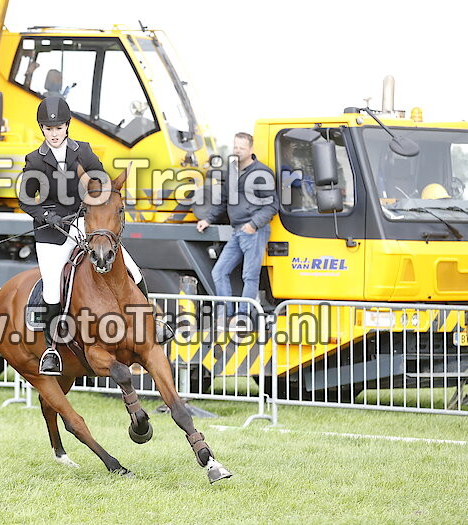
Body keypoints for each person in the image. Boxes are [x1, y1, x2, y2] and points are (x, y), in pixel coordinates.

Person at [18, 96, 171, 375]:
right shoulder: (35, 160)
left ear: (67, 127)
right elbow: (26, 200)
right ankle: (52, 349)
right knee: (53, 287)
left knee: (133, 270)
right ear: (43, 130)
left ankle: (152, 324)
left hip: (84, 223)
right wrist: (47, 216)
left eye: (59, 128)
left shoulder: (84, 152)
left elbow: (100, 181)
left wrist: (99, 204)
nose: (54, 134)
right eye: (48, 129)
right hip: (51, 232)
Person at [196, 132, 279, 324]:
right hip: (237, 231)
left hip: (254, 231)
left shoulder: (262, 173)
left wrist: (253, 225)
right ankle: (226, 316)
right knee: (219, 272)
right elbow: (223, 200)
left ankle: (242, 318)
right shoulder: (231, 171)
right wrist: (208, 220)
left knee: (249, 276)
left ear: (250, 149)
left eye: (241, 147)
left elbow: (271, 206)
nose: (237, 150)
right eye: (235, 147)